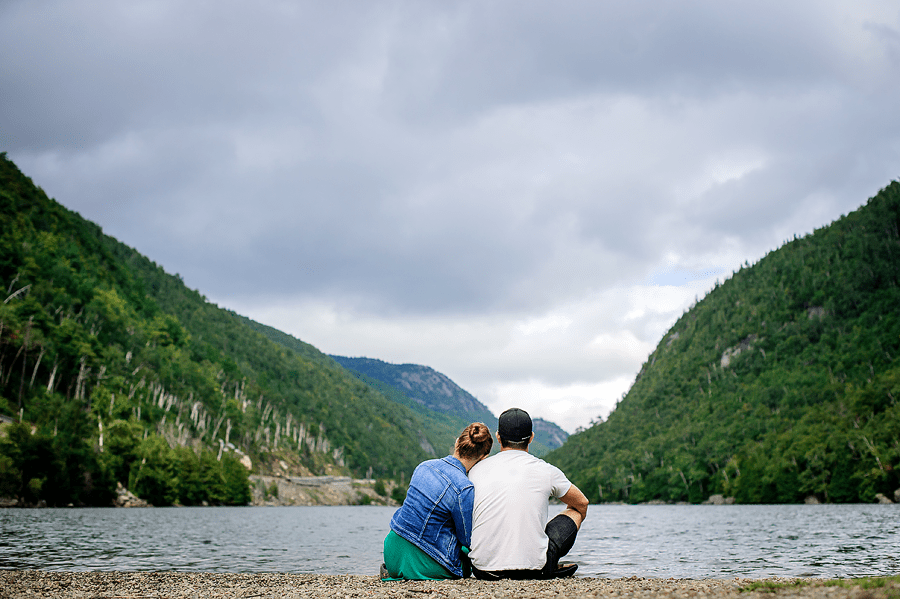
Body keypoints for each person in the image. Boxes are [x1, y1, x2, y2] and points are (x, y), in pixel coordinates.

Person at [467, 408, 589, 580]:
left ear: (498, 437)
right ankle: (548, 561)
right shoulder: (546, 470)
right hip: (533, 570)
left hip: (483, 570)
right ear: (531, 437)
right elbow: (582, 503)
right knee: (575, 511)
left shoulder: (476, 470)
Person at [381, 422, 494, 580]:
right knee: (465, 558)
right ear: (483, 457)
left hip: (392, 552)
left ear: (457, 442)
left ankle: (396, 569)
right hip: (425, 563)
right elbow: (466, 539)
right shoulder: (464, 487)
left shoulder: (424, 466)